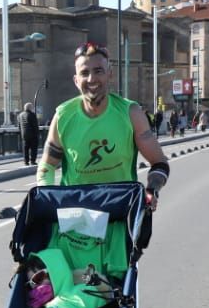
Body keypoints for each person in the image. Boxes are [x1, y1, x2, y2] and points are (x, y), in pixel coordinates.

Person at [38, 42, 169, 203]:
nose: (91, 79)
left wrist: (151, 190)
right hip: (75, 217)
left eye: (98, 71)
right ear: (76, 80)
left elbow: (159, 163)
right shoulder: (63, 116)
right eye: (84, 73)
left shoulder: (131, 113)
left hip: (120, 213)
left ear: (110, 74)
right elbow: (47, 166)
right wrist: (45, 195)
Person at [17, 102, 40, 167]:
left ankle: (26, 161)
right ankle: (33, 161)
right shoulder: (32, 115)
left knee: (25, 148)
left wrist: (21, 133)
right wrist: (37, 134)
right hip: (32, 135)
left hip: (24, 135)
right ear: (30, 108)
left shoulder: (20, 115)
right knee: (33, 148)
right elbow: (35, 125)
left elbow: (19, 126)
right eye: (32, 107)